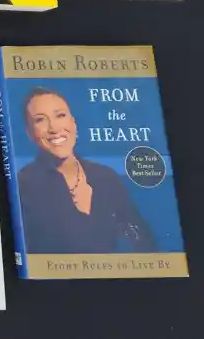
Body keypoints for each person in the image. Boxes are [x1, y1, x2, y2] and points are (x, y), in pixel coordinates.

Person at [16, 87, 155, 254]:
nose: (54, 128)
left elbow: (144, 241)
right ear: (30, 133)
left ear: (73, 122)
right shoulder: (23, 186)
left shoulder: (105, 177)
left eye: (60, 115)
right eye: (40, 120)